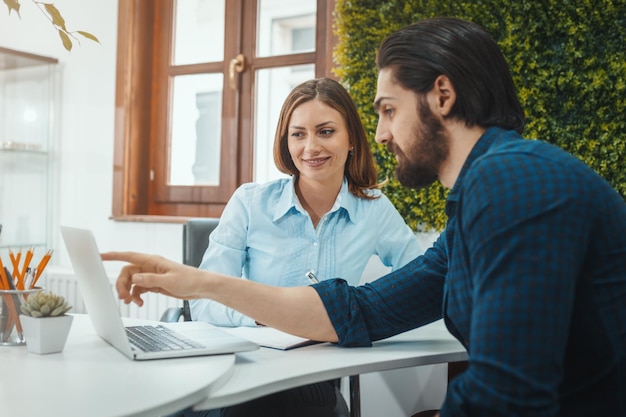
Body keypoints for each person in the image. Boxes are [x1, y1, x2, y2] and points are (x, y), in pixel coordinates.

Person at [104, 17, 626, 417]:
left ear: (442, 96)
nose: (381, 133)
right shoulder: (482, 196)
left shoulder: (509, 182)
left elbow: (507, 396)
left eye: (388, 110)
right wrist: (199, 283)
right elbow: (363, 310)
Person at [190, 77, 422, 328]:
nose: (311, 147)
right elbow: (205, 300)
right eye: (298, 134)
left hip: (333, 360)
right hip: (261, 358)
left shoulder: (373, 208)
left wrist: (366, 311)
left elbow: (421, 280)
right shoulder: (249, 203)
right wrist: (262, 317)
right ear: (286, 142)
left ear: (351, 139)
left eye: (326, 132)